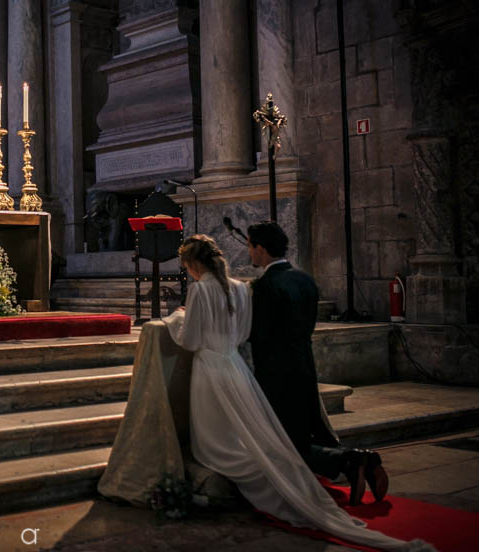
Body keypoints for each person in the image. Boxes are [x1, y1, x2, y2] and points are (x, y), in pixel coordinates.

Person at [161, 235, 430, 551]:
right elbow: (245, 332)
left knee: (216, 444)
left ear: (192, 264)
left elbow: (190, 340)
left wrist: (175, 319)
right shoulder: (240, 287)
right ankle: (314, 469)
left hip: (209, 369)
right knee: (250, 431)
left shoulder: (199, 290)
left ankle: (270, 477)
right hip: (235, 366)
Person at [246, 221, 388, 506]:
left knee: (286, 441)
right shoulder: (305, 279)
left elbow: (259, 335)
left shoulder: (265, 285)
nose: (249, 253)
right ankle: (360, 461)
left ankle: (352, 461)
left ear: (260, 249)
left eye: (250, 246)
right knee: (303, 429)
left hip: (276, 370)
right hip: (304, 363)